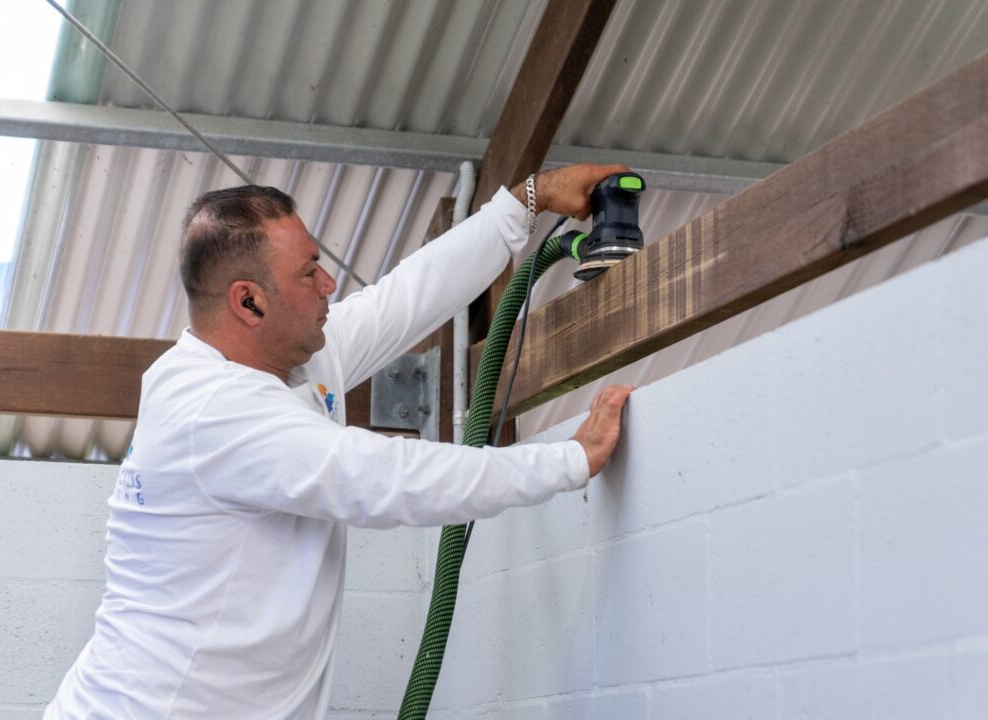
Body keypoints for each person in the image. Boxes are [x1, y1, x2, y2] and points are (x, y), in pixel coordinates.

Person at [45, 163, 634, 719]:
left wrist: (528, 200)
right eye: (308, 272)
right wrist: (570, 459)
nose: (329, 282)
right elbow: (389, 478)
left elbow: (403, 299)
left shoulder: (289, 359)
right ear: (248, 300)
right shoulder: (214, 412)